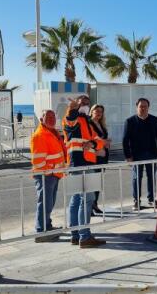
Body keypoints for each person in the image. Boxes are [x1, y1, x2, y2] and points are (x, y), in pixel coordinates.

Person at [64, 95, 106, 248]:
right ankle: (84, 237)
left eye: (88, 104)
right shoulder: (73, 118)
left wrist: (93, 143)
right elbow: (70, 121)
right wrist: (72, 108)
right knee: (87, 199)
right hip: (79, 165)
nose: (85, 106)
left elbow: (100, 141)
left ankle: (75, 235)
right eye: (82, 103)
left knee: (76, 200)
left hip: (84, 163)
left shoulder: (87, 121)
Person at [122, 98, 157, 210]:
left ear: (148, 107)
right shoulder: (130, 121)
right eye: (141, 106)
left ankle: (151, 199)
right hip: (136, 155)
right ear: (137, 107)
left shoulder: (154, 120)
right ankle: (136, 200)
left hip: (151, 154)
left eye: (145, 106)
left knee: (151, 177)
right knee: (137, 178)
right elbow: (125, 140)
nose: (143, 108)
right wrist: (128, 156)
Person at [30, 109, 66, 243]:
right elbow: (38, 161)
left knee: (49, 202)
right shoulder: (40, 135)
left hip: (53, 174)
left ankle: (47, 226)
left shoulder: (53, 133)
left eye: (53, 117)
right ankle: (41, 231)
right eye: (48, 117)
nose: (51, 119)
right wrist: (49, 172)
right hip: (46, 175)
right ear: (41, 119)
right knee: (45, 203)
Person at [89, 104, 110, 215]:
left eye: (100, 112)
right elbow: (89, 140)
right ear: (91, 112)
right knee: (93, 182)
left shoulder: (102, 124)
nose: (98, 114)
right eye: (96, 111)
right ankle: (90, 206)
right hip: (94, 156)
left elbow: (101, 139)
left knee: (99, 183)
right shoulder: (89, 124)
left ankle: (95, 203)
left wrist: (106, 142)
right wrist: (102, 143)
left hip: (103, 157)